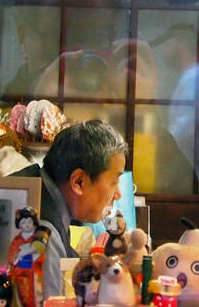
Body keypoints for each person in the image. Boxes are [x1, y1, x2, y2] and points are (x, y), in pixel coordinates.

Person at [13, 119, 128, 297]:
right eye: (114, 181)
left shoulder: (38, 186)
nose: (118, 193)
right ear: (78, 182)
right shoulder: (43, 231)